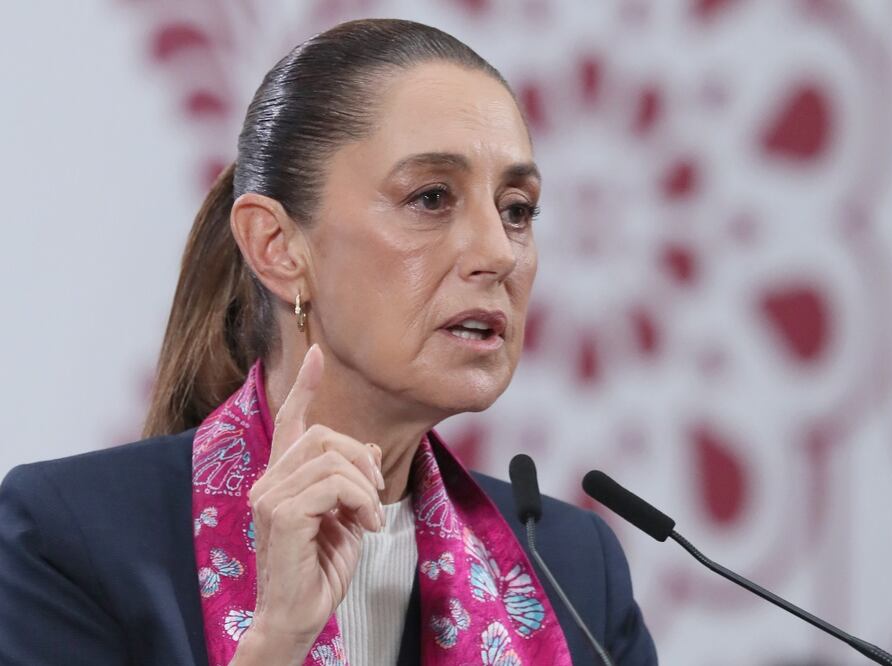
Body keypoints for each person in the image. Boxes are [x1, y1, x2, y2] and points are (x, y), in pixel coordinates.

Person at [0, 18, 657, 666]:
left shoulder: (571, 572)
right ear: (277, 246)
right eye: (430, 198)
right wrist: (278, 638)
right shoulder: (70, 539)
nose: (496, 252)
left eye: (516, 210)